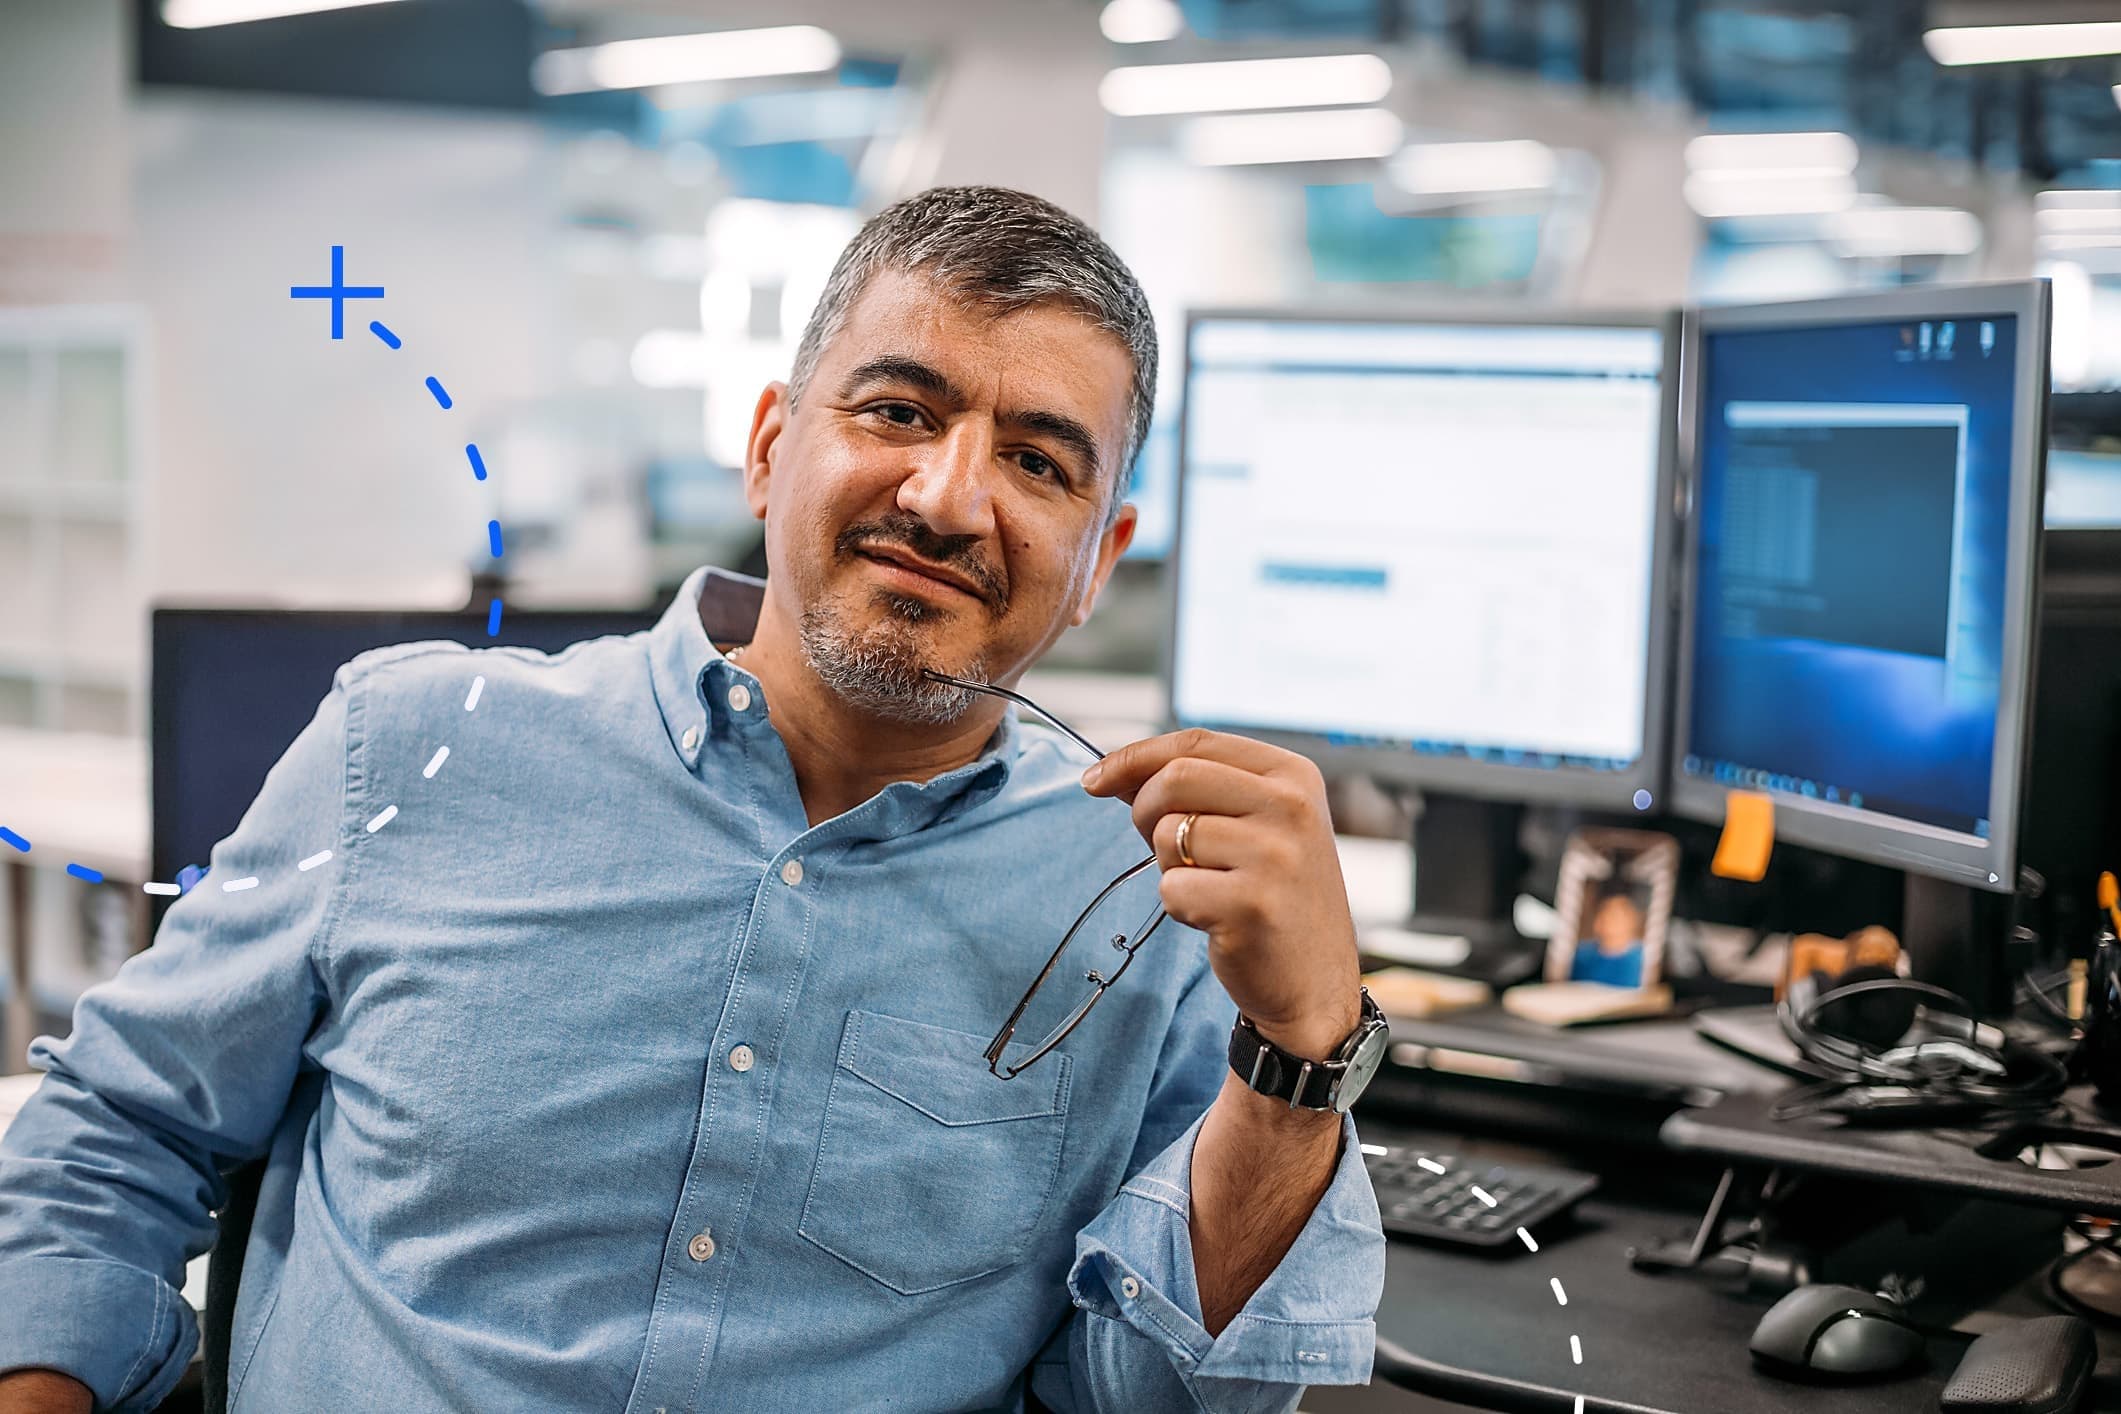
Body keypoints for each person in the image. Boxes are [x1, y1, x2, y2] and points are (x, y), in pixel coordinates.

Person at [0, 187, 1384, 1413]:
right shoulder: (405, 744)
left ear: (1100, 559)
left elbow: (1146, 1398)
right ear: (773, 447)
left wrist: (1301, 1047)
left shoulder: (1147, 904)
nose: (952, 496)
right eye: (899, 409)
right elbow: (113, 1139)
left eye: (1038, 460)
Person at [1570, 883, 1649, 989]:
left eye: (1615, 917)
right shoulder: (1582, 955)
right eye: (1603, 914)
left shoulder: (1641, 958)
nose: (1607, 922)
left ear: (1631, 922)